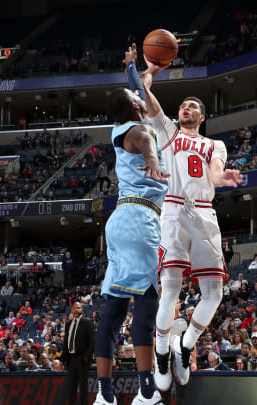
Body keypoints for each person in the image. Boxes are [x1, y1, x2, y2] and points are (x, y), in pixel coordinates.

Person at [135, 45, 243, 391]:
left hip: (205, 213)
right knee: (171, 287)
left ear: (202, 116)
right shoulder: (167, 132)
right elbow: (144, 94)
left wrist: (223, 179)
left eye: (193, 105)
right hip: (173, 209)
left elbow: (214, 174)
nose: (186, 107)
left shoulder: (215, 145)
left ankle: (186, 344)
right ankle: (162, 349)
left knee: (214, 292)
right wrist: (150, 70)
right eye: (183, 104)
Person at [93, 84, 169, 405]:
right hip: (140, 218)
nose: (141, 96)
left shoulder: (119, 125)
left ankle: (105, 394)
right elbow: (147, 140)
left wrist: (132, 70)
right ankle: (147, 391)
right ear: (135, 106)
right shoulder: (139, 130)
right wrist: (152, 158)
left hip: (119, 218)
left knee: (113, 308)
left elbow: (132, 99)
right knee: (148, 299)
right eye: (136, 95)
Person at [62, 302, 95, 405]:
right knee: (71, 387)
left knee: (83, 387)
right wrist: (63, 359)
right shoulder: (68, 324)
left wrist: (86, 357)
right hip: (71, 359)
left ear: (82, 310)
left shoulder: (87, 322)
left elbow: (93, 341)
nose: (77, 310)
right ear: (72, 309)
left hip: (82, 359)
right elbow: (66, 342)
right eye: (75, 308)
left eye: (79, 308)